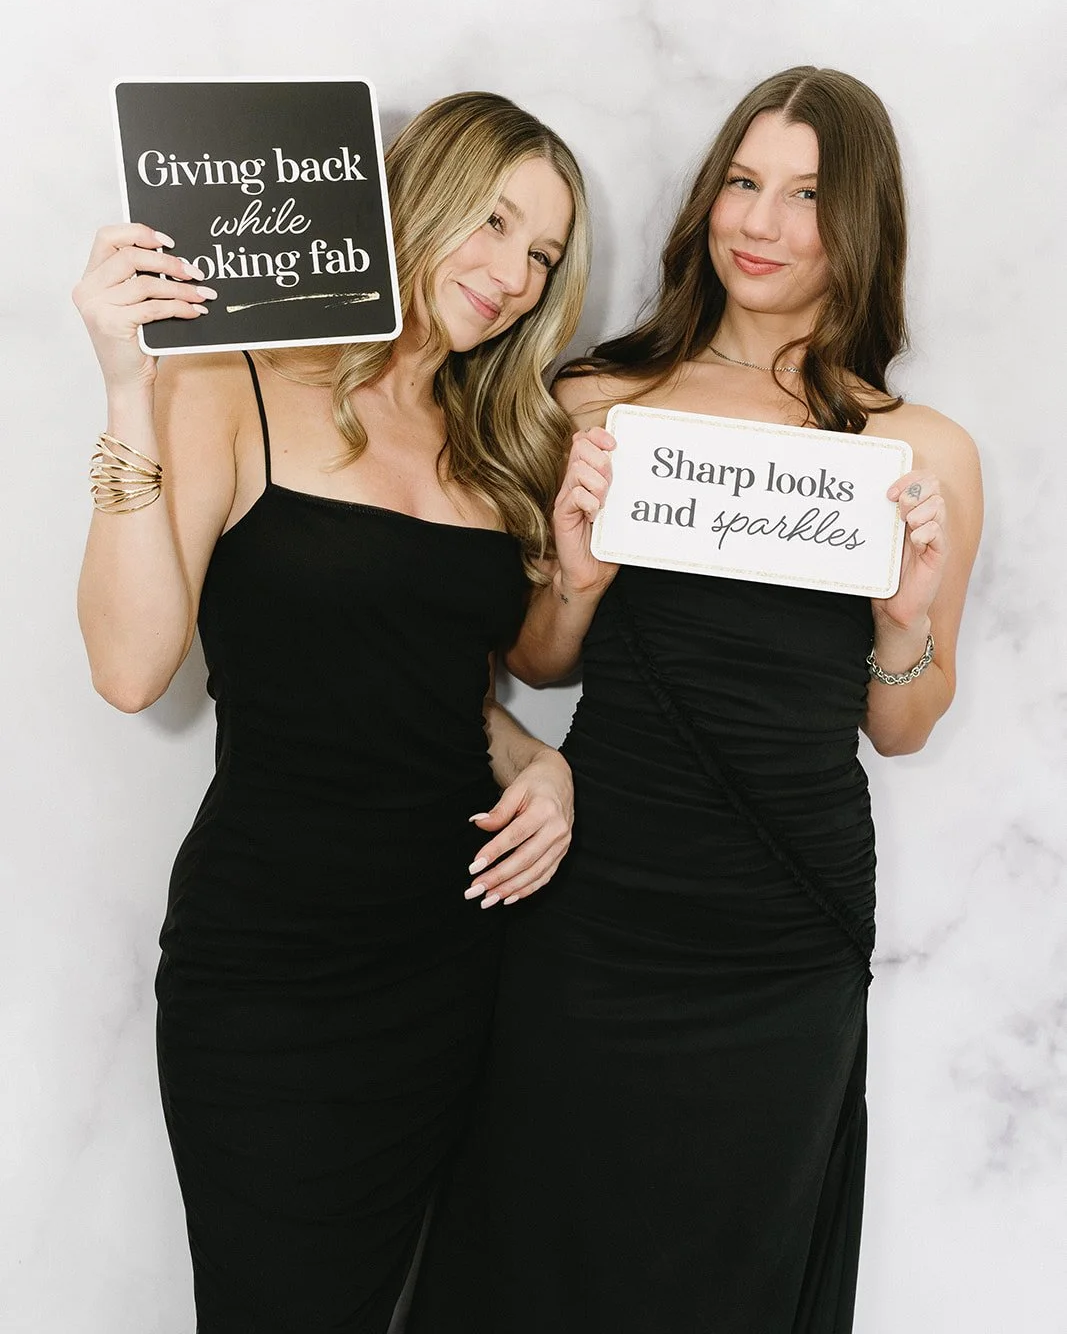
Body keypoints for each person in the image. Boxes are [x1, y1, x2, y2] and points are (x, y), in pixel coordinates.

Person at [407, 67, 983, 1334]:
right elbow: (537, 662)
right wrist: (573, 571)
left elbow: (900, 723)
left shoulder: (918, 451)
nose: (758, 223)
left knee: (733, 1259)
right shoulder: (596, 403)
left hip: (786, 920)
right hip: (599, 890)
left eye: (803, 196)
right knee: (543, 1227)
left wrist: (900, 621)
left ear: (862, 226)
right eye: (739, 181)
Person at [73, 90, 592, 1333]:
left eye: (542, 253)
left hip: (455, 958)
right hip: (272, 971)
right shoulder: (233, 383)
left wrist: (546, 761)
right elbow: (132, 666)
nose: (512, 273)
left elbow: (449, 673)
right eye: (493, 221)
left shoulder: (494, 434)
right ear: (410, 199)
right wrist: (126, 393)